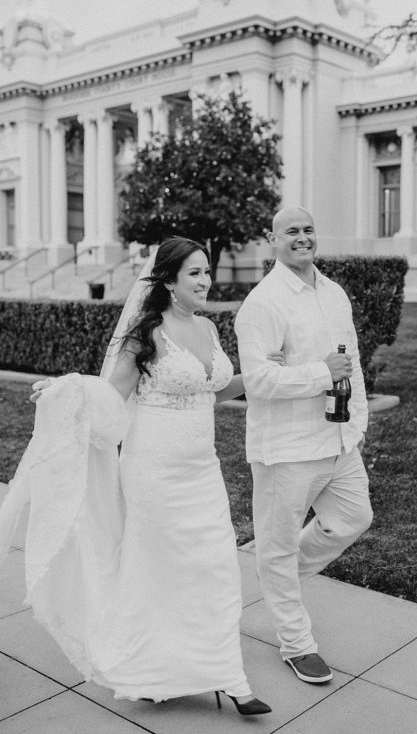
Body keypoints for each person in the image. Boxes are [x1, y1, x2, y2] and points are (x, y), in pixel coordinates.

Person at [0, 237, 273, 715]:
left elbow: (211, 390)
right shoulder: (145, 334)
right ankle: (153, 669)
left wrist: (259, 375)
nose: (205, 280)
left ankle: (227, 671)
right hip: (154, 470)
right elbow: (111, 397)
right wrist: (69, 391)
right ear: (168, 280)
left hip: (201, 469)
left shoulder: (208, 328)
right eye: (194, 272)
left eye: (207, 270)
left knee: (214, 565)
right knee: (159, 568)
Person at [234, 206, 371, 685]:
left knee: (354, 518)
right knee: (274, 546)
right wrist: (318, 375)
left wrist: (358, 421)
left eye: (309, 229)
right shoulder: (262, 303)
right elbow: (259, 380)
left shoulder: (334, 293)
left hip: (338, 438)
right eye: (291, 231)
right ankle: (296, 643)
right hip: (286, 448)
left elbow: (351, 361)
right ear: (273, 240)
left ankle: (281, 577)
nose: (303, 237)